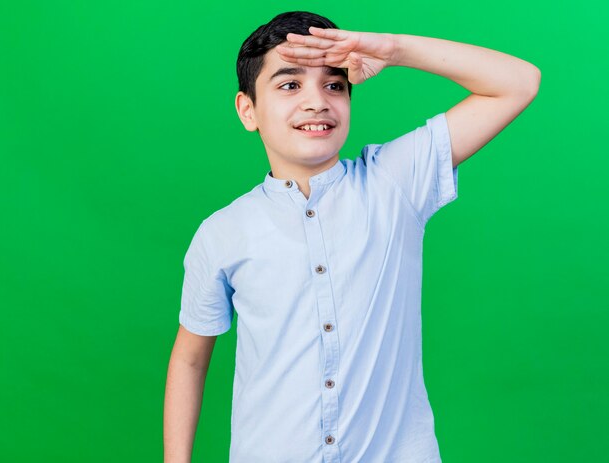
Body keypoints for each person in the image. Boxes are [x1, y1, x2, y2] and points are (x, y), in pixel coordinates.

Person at [163, 10, 540, 463]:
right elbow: (189, 357)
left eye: (334, 85)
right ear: (248, 110)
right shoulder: (222, 232)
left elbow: (519, 82)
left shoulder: (394, 183)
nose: (316, 101)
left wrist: (394, 49)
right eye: (289, 85)